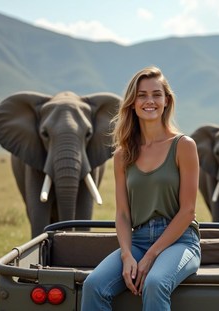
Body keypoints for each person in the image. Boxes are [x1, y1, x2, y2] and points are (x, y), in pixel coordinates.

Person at [81, 66, 201, 311]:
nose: (150, 101)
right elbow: (123, 214)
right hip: (137, 240)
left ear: (166, 101)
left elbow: (188, 211)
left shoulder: (183, 146)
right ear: (132, 103)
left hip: (179, 241)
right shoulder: (123, 155)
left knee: (155, 282)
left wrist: (150, 256)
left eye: (156, 94)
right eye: (142, 95)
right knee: (93, 284)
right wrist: (127, 255)